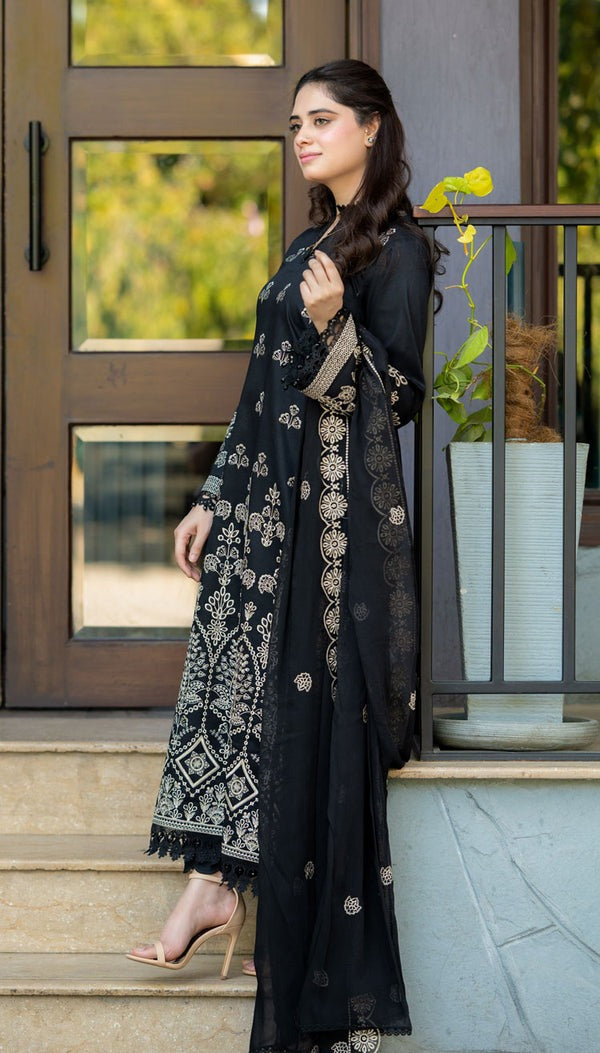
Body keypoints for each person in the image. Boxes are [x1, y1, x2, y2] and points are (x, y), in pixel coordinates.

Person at [128, 58, 433, 1053]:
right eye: (296, 122)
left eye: (322, 119)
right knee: (232, 690)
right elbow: (260, 387)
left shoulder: (399, 251)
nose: (302, 135)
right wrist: (213, 497)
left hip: (329, 533)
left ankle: (253, 913)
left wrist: (335, 324)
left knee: (296, 713)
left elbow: (396, 399)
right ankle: (215, 885)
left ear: (372, 128)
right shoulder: (308, 244)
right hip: (264, 513)